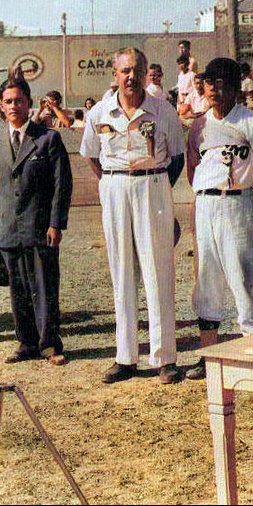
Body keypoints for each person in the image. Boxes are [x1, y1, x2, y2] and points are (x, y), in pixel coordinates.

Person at [81, 47, 184, 385]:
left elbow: (178, 157)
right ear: (115, 74)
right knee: (122, 271)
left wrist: (155, 185)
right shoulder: (99, 112)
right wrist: (114, 182)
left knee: (158, 271)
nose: (131, 76)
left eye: (137, 70)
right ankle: (125, 357)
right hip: (114, 187)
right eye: (125, 70)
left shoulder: (163, 110)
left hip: (152, 184)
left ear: (145, 73)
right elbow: (91, 155)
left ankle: (165, 358)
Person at [186, 57, 253, 380]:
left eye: (222, 82)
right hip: (205, 203)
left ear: (237, 87)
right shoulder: (198, 125)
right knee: (206, 278)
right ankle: (208, 354)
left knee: (245, 275)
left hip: (239, 201)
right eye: (210, 82)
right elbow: (192, 171)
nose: (215, 88)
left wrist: (247, 203)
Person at [0, 77, 73, 365]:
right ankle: (26, 342)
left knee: (44, 286)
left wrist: (56, 223)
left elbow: (61, 185)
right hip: (8, 226)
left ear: (29, 103)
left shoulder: (47, 138)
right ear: (1, 106)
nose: (13, 106)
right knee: (18, 289)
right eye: (8, 101)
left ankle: (49, 344)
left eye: (19, 100)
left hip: (40, 226)